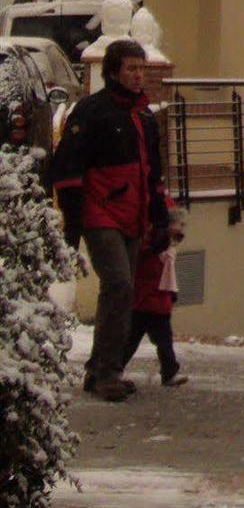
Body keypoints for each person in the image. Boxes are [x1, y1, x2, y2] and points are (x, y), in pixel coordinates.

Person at [51, 37, 169, 402]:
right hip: (99, 213)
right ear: (113, 72)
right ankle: (106, 373)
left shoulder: (145, 117)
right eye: (131, 69)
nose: (138, 76)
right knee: (118, 284)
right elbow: (67, 167)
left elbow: (152, 173)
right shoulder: (90, 111)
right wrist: (72, 223)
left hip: (133, 215)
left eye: (141, 68)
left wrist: (159, 218)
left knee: (121, 291)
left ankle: (100, 368)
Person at [123, 207, 187, 386]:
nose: (181, 229)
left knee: (156, 340)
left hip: (155, 302)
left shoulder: (166, 249)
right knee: (137, 340)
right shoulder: (155, 246)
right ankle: (168, 372)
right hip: (147, 301)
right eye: (179, 224)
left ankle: (169, 371)